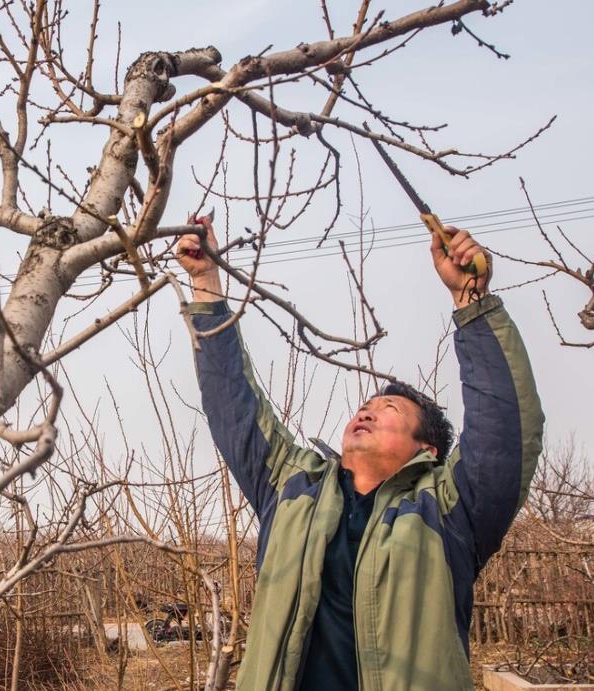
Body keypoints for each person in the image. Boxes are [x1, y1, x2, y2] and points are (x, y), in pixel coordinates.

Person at [177, 218, 544, 691]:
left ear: (426, 449)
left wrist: (472, 300)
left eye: (388, 408)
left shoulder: (449, 510)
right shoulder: (294, 487)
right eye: (364, 406)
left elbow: (504, 434)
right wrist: (206, 285)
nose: (366, 413)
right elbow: (236, 409)